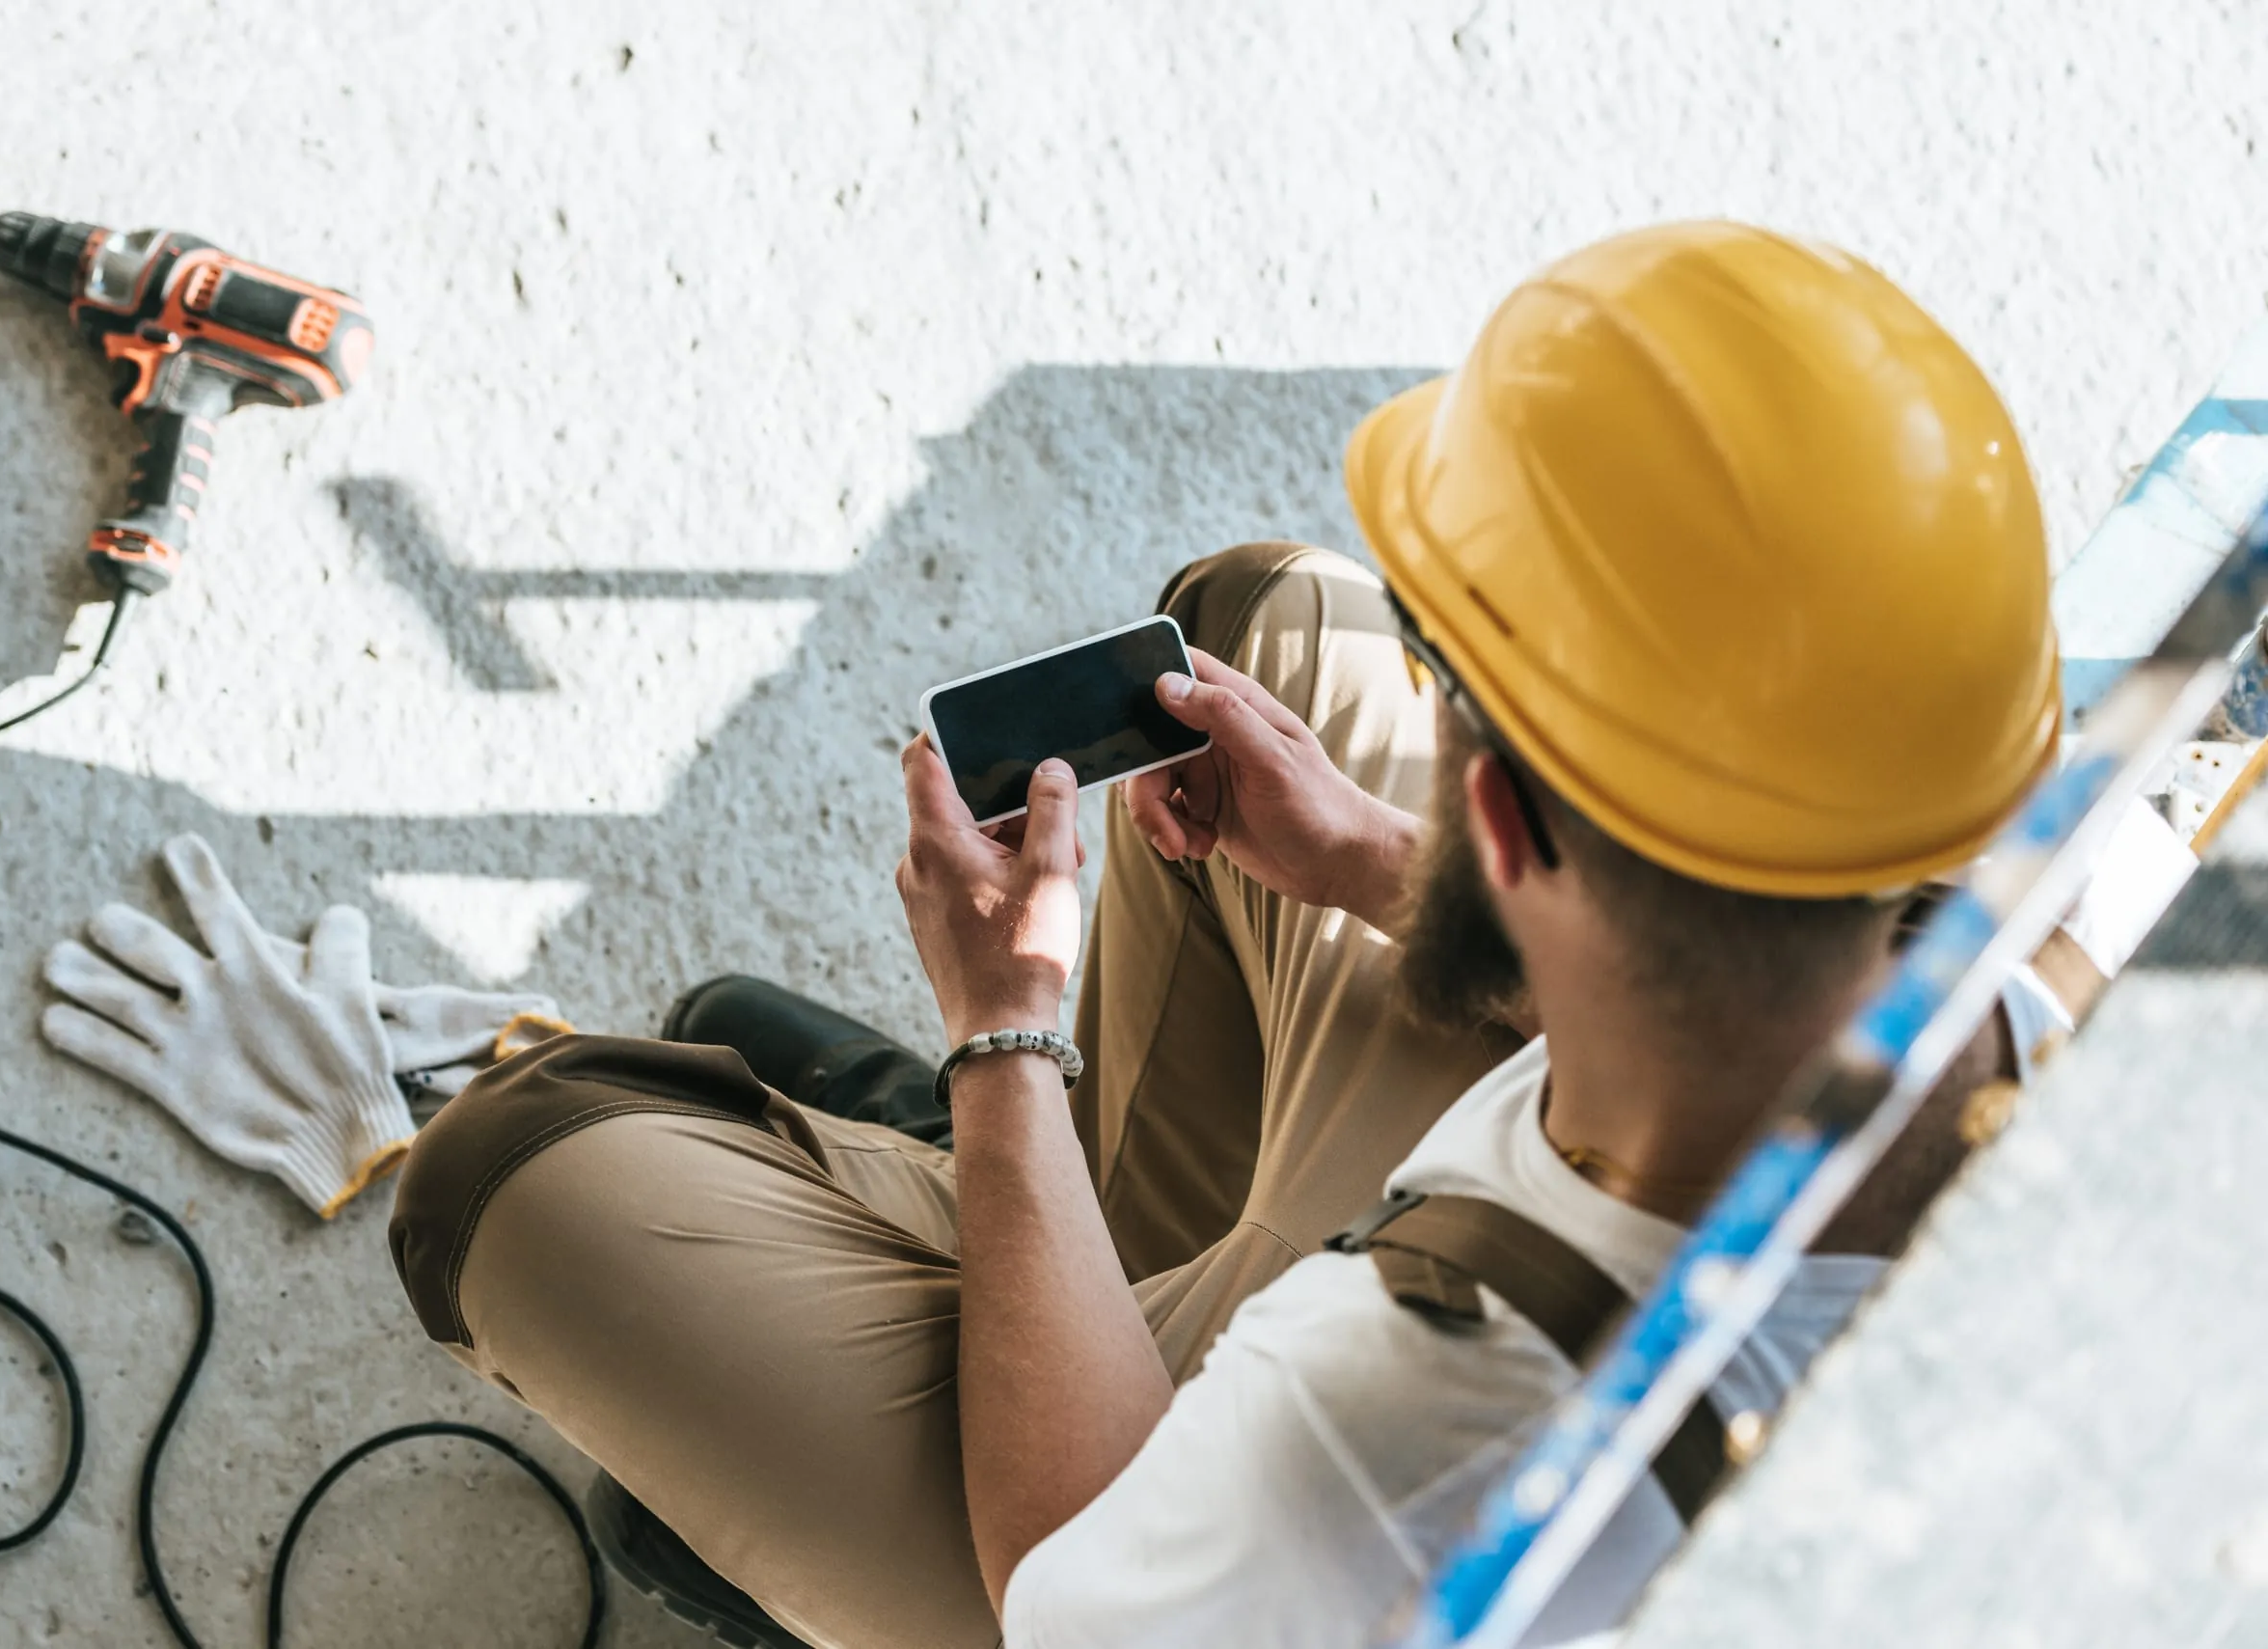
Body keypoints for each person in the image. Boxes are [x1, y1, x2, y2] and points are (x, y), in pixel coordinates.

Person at [386, 221, 2102, 1649]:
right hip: (1581, 1201)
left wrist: (1005, 1038)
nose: (1427, 711)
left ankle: (958, 1230)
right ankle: (1072, 1230)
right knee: (1250, 630)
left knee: (507, 1174)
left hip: (1167, 1535)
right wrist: (1365, 857)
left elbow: (1069, 1573)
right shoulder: (2117, 953)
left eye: (1455, 710)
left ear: (1493, 828)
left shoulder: (1387, 1448)